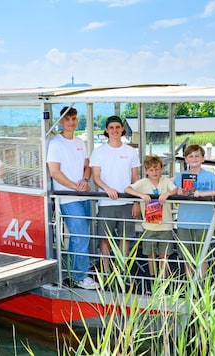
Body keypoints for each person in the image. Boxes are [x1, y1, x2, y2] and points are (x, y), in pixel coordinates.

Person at [47, 106, 98, 290]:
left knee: (80, 236)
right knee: (80, 234)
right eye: (67, 119)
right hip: (68, 197)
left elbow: (87, 165)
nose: (71, 122)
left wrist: (84, 180)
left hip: (82, 194)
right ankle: (80, 276)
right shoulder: (55, 143)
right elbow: (54, 172)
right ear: (61, 121)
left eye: (74, 118)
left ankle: (75, 271)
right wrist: (75, 186)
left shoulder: (79, 141)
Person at [90, 116, 140, 273]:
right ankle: (105, 270)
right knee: (105, 238)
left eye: (118, 127)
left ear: (122, 129)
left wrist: (136, 201)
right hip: (106, 203)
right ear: (106, 130)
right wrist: (107, 189)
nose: (115, 130)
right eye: (111, 128)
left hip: (126, 202)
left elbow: (135, 178)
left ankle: (121, 269)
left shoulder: (131, 151)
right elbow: (96, 177)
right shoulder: (98, 152)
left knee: (125, 238)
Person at [174, 144, 215, 276]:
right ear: (186, 159)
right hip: (184, 222)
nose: (194, 159)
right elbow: (172, 192)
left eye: (197, 156)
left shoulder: (209, 176)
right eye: (191, 156)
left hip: (204, 223)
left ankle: (201, 281)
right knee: (186, 256)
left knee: (202, 255)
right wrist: (178, 192)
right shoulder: (180, 176)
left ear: (203, 158)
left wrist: (203, 194)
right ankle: (190, 283)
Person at [125, 155, 177, 279]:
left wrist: (168, 193)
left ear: (162, 169)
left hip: (165, 226)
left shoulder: (166, 181)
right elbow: (127, 189)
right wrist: (140, 195)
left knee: (164, 255)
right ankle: (152, 278)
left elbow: (176, 190)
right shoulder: (143, 183)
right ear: (146, 171)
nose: (155, 172)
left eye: (157, 169)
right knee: (150, 254)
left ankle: (163, 278)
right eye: (151, 170)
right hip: (149, 226)